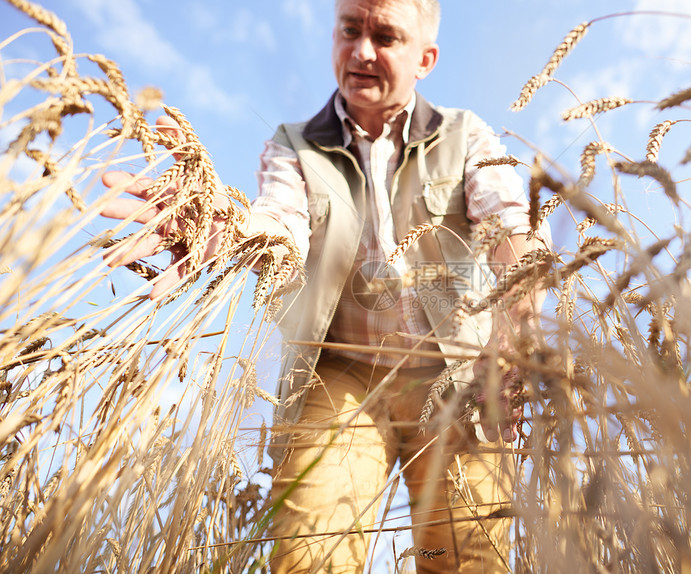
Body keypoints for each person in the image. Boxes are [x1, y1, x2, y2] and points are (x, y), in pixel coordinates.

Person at [101, 0, 548, 572]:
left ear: (425, 59)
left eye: (385, 36)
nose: (362, 50)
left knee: (460, 558)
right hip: (342, 379)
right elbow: (279, 221)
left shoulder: (465, 136)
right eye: (350, 30)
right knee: (313, 549)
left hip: (459, 379)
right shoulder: (294, 146)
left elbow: (513, 227)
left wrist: (517, 323)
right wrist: (231, 228)